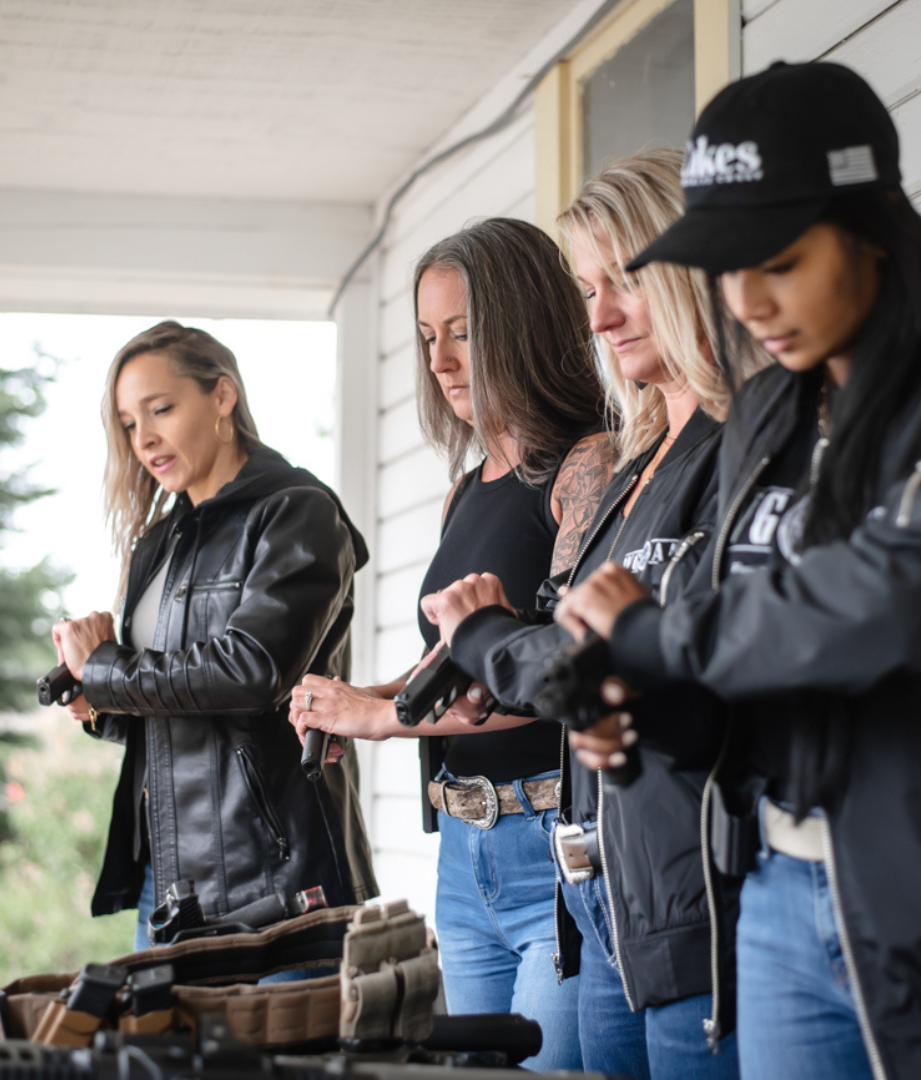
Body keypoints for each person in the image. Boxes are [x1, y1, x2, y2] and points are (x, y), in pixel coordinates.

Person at [554, 61, 921, 1080]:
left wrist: (660, 634)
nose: (746, 302)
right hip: (781, 907)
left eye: (780, 261)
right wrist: (644, 709)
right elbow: (756, 665)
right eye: (724, 269)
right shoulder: (768, 411)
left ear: (874, 221)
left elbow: (900, 598)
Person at [422, 151, 756, 1079]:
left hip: (701, 894)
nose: (601, 316)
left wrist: (488, 638)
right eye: (587, 289)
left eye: (626, 280)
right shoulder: (641, 460)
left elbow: (654, 673)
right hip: (607, 890)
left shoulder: (740, 447)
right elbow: (583, 659)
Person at [288, 217, 613, 1070]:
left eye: (465, 333)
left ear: (527, 324)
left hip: (557, 847)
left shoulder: (590, 466)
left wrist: (381, 718)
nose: (440, 362)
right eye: (429, 337)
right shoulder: (464, 490)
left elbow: (554, 672)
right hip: (464, 863)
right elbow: (458, 666)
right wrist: (347, 699)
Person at [51, 321, 377, 956]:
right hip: (169, 885)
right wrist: (97, 703)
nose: (144, 439)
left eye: (161, 409)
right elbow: (172, 716)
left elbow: (253, 670)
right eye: (127, 424)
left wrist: (108, 669)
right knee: (166, 1061)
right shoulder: (158, 542)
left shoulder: (297, 511)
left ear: (222, 396)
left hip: (279, 879)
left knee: (285, 1059)